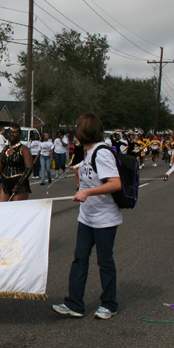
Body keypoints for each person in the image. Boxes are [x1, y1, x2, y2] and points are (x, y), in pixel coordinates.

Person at [52, 112, 121, 320]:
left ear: (84, 132)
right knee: (80, 258)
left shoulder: (102, 153)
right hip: (87, 217)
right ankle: (74, 303)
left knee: (104, 261)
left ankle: (109, 304)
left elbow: (115, 183)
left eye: (77, 130)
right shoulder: (88, 153)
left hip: (105, 218)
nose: (74, 136)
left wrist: (87, 192)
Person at [0, 122, 33, 202]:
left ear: (19, 134)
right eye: (10, 132)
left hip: (19, 182)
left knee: (16, 210)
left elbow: (29, 168)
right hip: (4, 182)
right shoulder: (5, 150)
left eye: (14, 132)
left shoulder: (24, 149)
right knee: (1, 209)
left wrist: (19, 184)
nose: (11, 134)